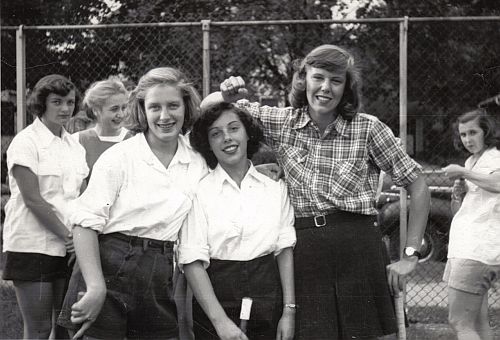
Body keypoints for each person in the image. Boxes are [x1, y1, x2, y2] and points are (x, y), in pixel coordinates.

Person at [200, 44, 431, 339]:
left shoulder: (367, 129)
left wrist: (410, 255)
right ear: (303, 79)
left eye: (336, 81)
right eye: (318, 77)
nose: (325, 88)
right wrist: (227, 92)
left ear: (347, 87)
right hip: (306, 250)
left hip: (358, 248)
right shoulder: (283, 122)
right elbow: (208, 108)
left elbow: (417, 182)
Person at [67, 67, 208, 340]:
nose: (164, 116)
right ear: (142, 109)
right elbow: (84, 223)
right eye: (155, 107)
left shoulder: (197, 162)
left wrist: (262, 169)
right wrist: (96, 287)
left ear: (186, 107)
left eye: (173, 106)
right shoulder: (120, 157)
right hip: (108, 267)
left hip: (160, 271)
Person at [179, 102, 296, 340]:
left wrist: (288, 312)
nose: (227, 138)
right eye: (216, 134)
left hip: (267, 296)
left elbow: (284, 250)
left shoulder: (274, 187)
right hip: (217, 298)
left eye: (234, 128)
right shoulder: (199, 192)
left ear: (247, 133)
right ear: (208, 144)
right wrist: (221, 323)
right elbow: (192, 260)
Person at [2, 74, 89, 339]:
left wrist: (79, 235)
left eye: (70, 102)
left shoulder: (74, 145)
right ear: (41, 104)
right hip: (33, 246)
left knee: (64, 327)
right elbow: (33, 200)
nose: (65, 109)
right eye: (57, 102)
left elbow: (81, 194)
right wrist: (69, 237)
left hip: (68, 247)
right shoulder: (25, 142)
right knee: (39, 329)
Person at [57, 77, 134, 334]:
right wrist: (70, 231)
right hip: (88, 230)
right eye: (114, 109)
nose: (121, 114)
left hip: (121, 230)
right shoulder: (79, 140)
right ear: (97, 110)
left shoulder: (134, 141)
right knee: (77, 304)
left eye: (124, 107)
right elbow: (71, 191)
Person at [442, 108, 500, 340]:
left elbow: (497, 183)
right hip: (467, 247)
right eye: (463, 134)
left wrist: (464, 172)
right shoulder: (473, 161)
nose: (468, 139)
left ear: (486, 132)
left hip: (478, 251)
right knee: (477, 321)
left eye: (473, 133)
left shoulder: (495, 157)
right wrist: (460, 193)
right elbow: (463, 211)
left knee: (459, 322)